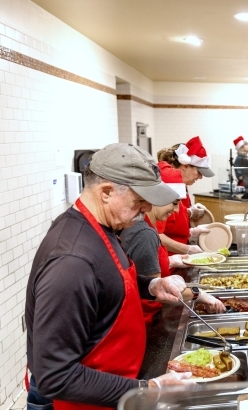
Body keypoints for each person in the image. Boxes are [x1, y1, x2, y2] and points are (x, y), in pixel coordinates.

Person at [26, 144, 195, 409]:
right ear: (106, 192)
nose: (147, 207)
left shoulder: (103, 228)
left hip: (112, 386)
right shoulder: (70, 262)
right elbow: (54, 375)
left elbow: (107, 281)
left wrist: (152, 285)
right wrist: (149, 388)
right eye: (140, 199)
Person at [120, 174, 225, 329]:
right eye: (174, 204)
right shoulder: (144, 233)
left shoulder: (146, 227)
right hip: (146, 319)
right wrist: (198, 295)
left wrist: (170, 261)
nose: (176, 211)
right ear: (157, 200)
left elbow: (140, 271)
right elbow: (158, 291)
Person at [157, 137, 215, 255]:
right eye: (199, 172)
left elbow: (173, 217)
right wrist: (187, 250)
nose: (200, 177)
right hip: (168, 256)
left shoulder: (182, 185)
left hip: (178, 252)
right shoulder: (167, 184)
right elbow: (157, 234)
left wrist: (189, 215)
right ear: (185, 165)